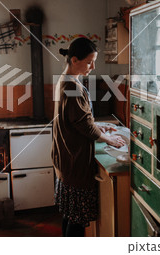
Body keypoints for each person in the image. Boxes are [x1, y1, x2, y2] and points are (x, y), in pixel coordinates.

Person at [51, 37, 126, 237]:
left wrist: (99, 125)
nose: (93, 66)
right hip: (75, 162)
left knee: (70, 215)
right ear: (74, 60)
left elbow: (76, 119)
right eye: (89, 62)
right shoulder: (73, 87)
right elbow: (83, 124)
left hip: (66, 160)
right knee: (76, 222)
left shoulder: (65, 80)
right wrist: (108, 138)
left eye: (94, 61)